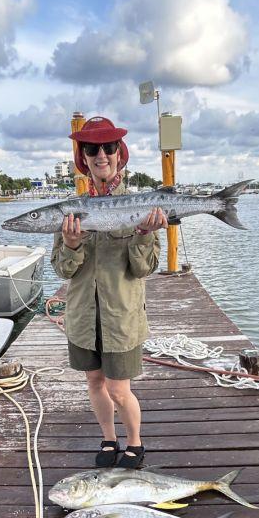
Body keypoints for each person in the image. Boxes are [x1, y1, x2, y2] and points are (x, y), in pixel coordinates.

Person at [51, 115, 167, 468]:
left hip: (122, 316)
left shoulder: (142, 206)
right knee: (94, 382)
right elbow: (62, 269)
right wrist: (71, 244)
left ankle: (135, 442)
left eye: (108, 147)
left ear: (120, 154)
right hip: (84, 316)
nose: (101, 154)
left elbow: (145, 268)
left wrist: (144, 236)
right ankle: (108, 438)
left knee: (119, 388)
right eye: (92, 148)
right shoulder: (70, 210)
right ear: (83, 158)